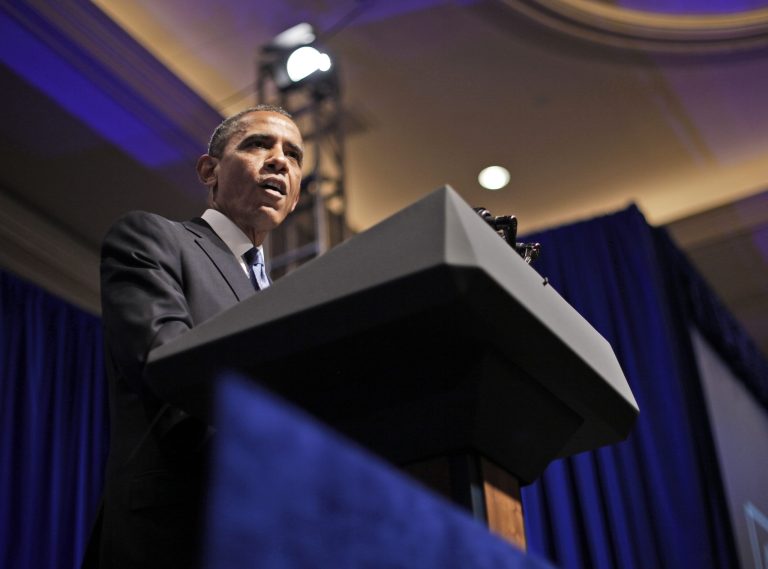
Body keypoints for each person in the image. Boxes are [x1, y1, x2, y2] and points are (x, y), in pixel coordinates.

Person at [90, 105, 304, 569]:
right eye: (257, 144)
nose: (279, 161)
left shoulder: (292, 299)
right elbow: (168, 369)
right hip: (173, 534)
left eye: (293, 155)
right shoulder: (154, 238)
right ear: (209, 170)